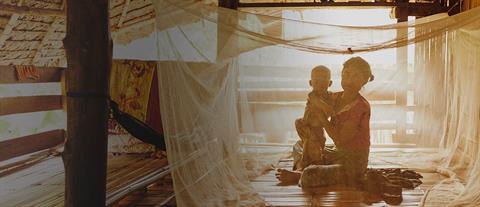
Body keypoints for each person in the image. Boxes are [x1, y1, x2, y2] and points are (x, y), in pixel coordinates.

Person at [276, 57, 374, 187]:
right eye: (347, 74)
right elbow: (313, 95)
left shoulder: (360, 106)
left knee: (312, 174)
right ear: (341, 75)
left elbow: (340, 140)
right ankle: (304, 167)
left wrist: (322, 119)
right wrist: (316, 105)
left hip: (352, 161)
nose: (349, 79)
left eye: (356, 76)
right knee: (299, 145)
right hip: (338, 152)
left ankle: (302, 173)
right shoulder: (335, 97)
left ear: (364, 81)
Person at [293, 65, 334, 171]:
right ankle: (303, 165)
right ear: (310, 83)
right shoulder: (312, 95)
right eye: (316, 81)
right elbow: (323, 107)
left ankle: (310, 166)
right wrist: (328, 107)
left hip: (317, 129)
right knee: (304, 144)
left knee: (314, 148)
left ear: (330, 83)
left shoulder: (331, 97)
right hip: (305, 125)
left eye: (324, 80)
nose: (320, 83)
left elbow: (330, 113)